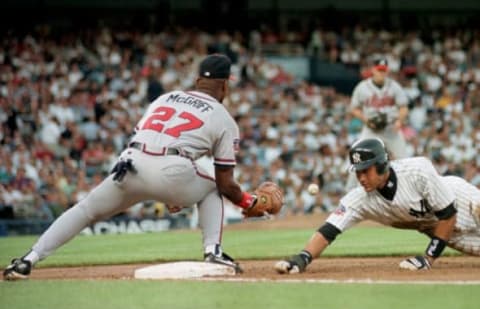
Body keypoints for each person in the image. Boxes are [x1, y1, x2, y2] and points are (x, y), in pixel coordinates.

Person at [3, 54, 257, 280]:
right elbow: (225, 183)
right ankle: (213, 251)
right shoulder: (223, 117)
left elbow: (146, 135)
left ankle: (28, 259)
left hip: (130, 164)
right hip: (171, 171)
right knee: (213, 186)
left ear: (197, 79)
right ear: (225, 84)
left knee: (85, 210)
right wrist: (248, 202)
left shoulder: (165, 98)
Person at [275, 138, 480, 274]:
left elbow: (449, 213)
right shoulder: (359, 199)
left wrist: (427, 259)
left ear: (383, 165)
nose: (361, 178)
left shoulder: (418, 171)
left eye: (366, 171)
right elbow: (329, 230)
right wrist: (302, 258)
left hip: (464, 201)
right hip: (444, 232)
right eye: (357, 172)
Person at [346, 57, 409, 190]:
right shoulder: (362, 87)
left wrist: (399, 121)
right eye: (379, 70)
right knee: (357, 155)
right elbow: (354, 108)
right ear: (373, 70)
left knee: (404, 160)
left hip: (390, 128)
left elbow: (403, 107)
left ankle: (406, 190)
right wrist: (366, 120)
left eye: (384, 70)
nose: (382, 73)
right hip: (371, 129)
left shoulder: (394, 86)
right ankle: (350, 193)